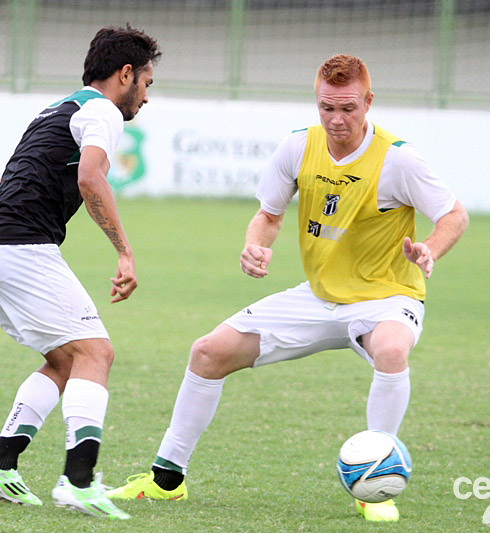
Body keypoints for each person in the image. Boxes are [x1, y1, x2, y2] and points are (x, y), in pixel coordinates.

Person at [106, 54, 468, 522]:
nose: (336, 119)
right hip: (318, 296)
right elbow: (269, 216)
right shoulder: (297, 147)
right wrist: (255, 245)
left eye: (348, 108)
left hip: (387, 297)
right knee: (208, 353)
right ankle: (166, 481)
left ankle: (376, 487)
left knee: (392, 349)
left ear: (368, 102)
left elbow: (453, 215)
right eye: (327, 108)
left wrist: (430, 250)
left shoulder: (398, 159)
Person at [0, 24, 161, 520]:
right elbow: (90, 177)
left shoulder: (56, 110)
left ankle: (0, 465)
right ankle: (78, 481)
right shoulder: (103, 111)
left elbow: (1, 186)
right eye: (147, 83)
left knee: (64, 360)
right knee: (95, 353)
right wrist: (124, 252)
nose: (146, 97)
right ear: (126, 74)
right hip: (20, 246)